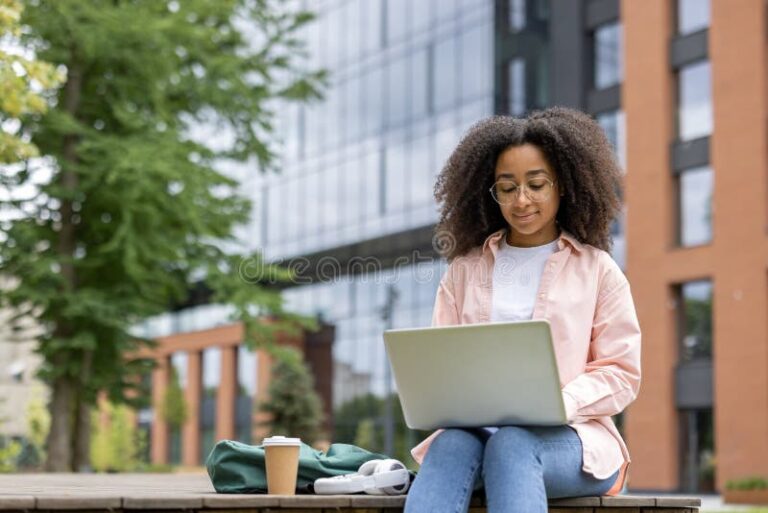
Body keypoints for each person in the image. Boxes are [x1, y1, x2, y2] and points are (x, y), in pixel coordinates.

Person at [403, 107, 641, 513]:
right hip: (477, 435)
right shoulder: (464, 271)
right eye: (507, 187)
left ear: (562, 185)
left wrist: (561, 401)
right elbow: (443, 362)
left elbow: (621, 372)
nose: (521, 199)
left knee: (512, 443)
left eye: (536, 184)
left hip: (574, 443)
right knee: (450, 444)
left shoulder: (598, 270)